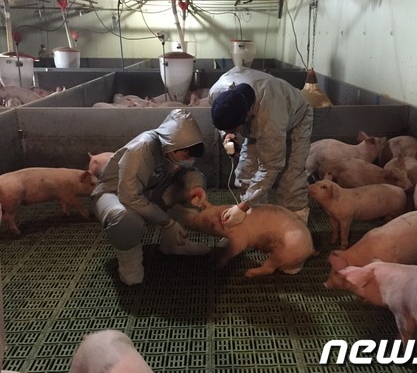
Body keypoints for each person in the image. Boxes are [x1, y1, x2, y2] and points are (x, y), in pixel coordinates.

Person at [91, 109, 211, 286]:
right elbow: (129, 196)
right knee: (125, 219)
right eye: (187, 155)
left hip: (148, 192)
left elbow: (189, 172)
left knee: (190, 187)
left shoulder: (172, 152)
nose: (190, 160)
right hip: (114, 194)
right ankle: (129, 263)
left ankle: (176, 245)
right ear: (173, 146)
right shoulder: (141, 149)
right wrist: (167, 222)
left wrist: (196, 186)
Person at [209, 66, 314, 226]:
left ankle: (295, 226)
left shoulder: (268, 118)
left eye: (234, 128)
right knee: (246, 170)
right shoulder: (217, 92)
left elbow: (270, 166)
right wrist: (227, 135)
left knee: (290, 177)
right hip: (261, 114)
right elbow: (221, 120)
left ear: (246, 116)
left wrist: (242, 207)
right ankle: (257, 223)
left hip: (296, 117)